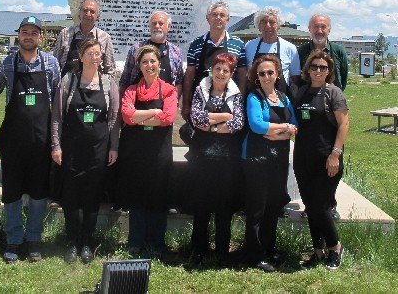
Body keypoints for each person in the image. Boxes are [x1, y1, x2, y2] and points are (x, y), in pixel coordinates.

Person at [0, 16, 60, 263]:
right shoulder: (7, 64)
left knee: (39, 191)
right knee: (11, 190)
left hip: (41, 140)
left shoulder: (50, 63)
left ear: (41, 37)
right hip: (13, 140)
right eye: (24, 32)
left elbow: (59, 101)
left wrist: (57, 140)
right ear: (18, 35)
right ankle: (13, 239)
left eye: (34, 32)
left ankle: (34, 239)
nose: (29, 36)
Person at [51, 39, 120, 264]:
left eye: (97, 53)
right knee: (71, 197)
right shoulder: (68, 81)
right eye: (89, 53)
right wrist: (56, 145)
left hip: (98, 150)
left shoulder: (109, 83)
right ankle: (72, 242)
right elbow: (57, 117)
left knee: (92, 197)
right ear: (81, 56)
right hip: (72, 149)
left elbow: (114, 119)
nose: (94, 57)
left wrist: (113, 146)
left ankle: (88, 243)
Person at [116, 45, 177, 258]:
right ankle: (135, 241)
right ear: (139, 66)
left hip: (159, 152)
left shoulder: (169, 90)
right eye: (144, 62)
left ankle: (156, 243)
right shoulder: (132, 90)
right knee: (137, 196)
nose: (149, 65)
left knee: (157, 197)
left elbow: (168, 118)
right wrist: (153, 112)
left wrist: (139, 118)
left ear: (159, 64)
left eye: (153, 61)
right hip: (136, 152)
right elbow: (126, 116)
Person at [293, 50, 349, 271]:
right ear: (308, 70)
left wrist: (335, 154)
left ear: (329, 72)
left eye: (323, 68)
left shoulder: (334, 94)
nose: (318, 71)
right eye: (314, 67)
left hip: (327, 158)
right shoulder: (302, 92)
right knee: (310, 206)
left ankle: (335, 247)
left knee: (320, 206)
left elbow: (344, 124)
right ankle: (318, 252)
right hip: (302, 158)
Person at [241, 54, 298, 272]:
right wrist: (285, 130)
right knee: (257, 208)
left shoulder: (283, 97)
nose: (266, 76)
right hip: (257, 158)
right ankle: (254, 254)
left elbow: (295, 124)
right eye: (262, 73)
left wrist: (278, 133)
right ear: (257, 76)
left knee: (273, 205)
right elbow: (256, 125)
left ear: (277, 74)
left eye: (270, 72)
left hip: (279, 159)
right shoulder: (254, 97)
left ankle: (269, 247)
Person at [187, 53, 245, 265]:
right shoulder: (201, 90)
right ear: (212, 70)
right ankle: (198, 250)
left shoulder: (236, 95)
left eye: (226, 70)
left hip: (227, 159)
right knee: (201, 205)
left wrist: (210, 125)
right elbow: (197, 118)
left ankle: (222, 251)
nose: (221, 73)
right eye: (218, 68)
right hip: (202, 156)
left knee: (224, 207)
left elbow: (237, 123)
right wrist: (223, 119)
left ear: (231, 74)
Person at [182, 0, 247, 119]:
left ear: (228, 19)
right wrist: (186, 104)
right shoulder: (195, 44)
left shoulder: (238, 44)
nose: (218, 18)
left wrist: (240, 103)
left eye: (222, 15)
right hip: (200, 101)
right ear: (208, 18)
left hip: (229, 102)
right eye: (214, 14)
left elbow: (242, 76)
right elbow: (189, 75)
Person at [120, 11, 184, 99]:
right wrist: (121, 107)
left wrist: (174, 103)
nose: (157, 26)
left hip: (164, 107)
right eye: (154, 23)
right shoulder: (136, 49)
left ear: (168, 27)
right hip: (137, 107)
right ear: (150, 26)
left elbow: (178, 82)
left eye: (161, 23)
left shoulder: (176, 52)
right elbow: (125, 79)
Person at [53, 0, 116, 78]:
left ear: (98, 16)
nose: (88, 14)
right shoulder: (65, 33)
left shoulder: (105, 37)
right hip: (67, 85)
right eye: (85, 10)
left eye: (92, 12)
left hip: (94, 86)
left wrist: (107, 87)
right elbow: (55, 63)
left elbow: (110, 68)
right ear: (79, 14)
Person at [244, 7, 300, 95]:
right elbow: (246, 75)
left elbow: (295, 78)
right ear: (259, 26)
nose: (268, 26)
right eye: (264, 22)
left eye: (272, 22)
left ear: (278, 26)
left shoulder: (290, 48)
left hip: (282, 99)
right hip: (255, 98)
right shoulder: (249, 46)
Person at [298, 14, 348, 90]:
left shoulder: (339, 51)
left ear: (329, 29)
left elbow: (343, 79)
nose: (319, 31)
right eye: (316, 26)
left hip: (332, 99)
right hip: (307, 99)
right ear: (309, 28)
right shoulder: (300, 52)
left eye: (323, 27)